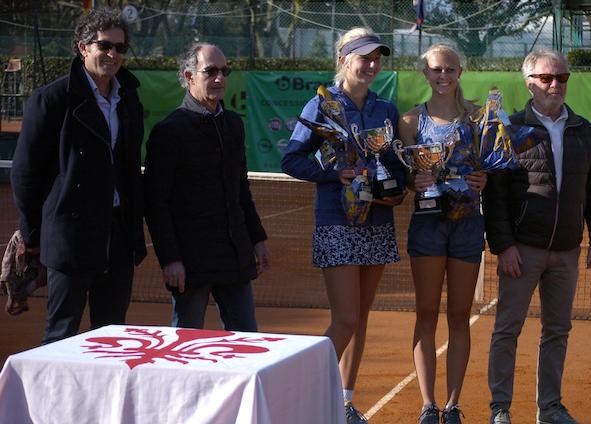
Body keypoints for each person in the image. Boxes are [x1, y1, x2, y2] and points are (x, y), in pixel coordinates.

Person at [281, 28, 405, 424]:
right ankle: (299, 395)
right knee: (346, 318)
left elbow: (394, 164)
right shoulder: (321, 104)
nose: (372, 64)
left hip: (377, 221)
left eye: (376, 58)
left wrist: (395, 189)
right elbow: (291, 159)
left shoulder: (386, 109)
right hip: (337, 221)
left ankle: (345, 403)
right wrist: (335, 175)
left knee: (361, 318)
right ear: (343, 60)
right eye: (364, 57)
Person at [484, 48, 591, 424]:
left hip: (567, 251)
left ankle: (550, 408)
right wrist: (504, 246)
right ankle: (500, 408)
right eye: (546, 78)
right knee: (507, 329)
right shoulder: (511, 128)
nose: (555, 84)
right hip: (522, 250)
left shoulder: (583, 130)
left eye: (562, 78)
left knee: (557, 330)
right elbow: (495, 195)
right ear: (529, 83)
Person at [11, 8, 146, 344]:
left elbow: (130, 169)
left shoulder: (129, 97)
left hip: (117, 236)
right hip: (70, 236)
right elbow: (26, 173)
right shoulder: (51, 99)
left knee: (111, 337)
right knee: (61, 336)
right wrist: (33, 237)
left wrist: (132, 233)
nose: (113, 54)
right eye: (104, 46)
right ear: (83, 47)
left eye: (120, 48)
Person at [144, 43, 270, 332]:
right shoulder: (169, 131)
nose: (219, 78)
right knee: (186, 343)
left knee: (246, 340)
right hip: (191, 262)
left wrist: (257, 239)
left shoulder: (233, 124)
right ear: (189, 76)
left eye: (224, 71)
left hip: (234, 255)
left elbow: (241, 190)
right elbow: (155, 203)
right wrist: (171, 259)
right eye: (210, 71)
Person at [397, 44, 487, 424]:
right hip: (428, 225)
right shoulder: (409, 121)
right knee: (426, 313)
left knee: (460, 315)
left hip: (467, 227)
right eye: (436, 69)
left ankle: (452, 405)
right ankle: (427, 405)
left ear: (460, 72)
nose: (443, 76)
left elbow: (491, 166)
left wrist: (484, 179)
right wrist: (413, 181)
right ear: (426, 73)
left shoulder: (479, 118)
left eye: (450, 69)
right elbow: (402, 175)